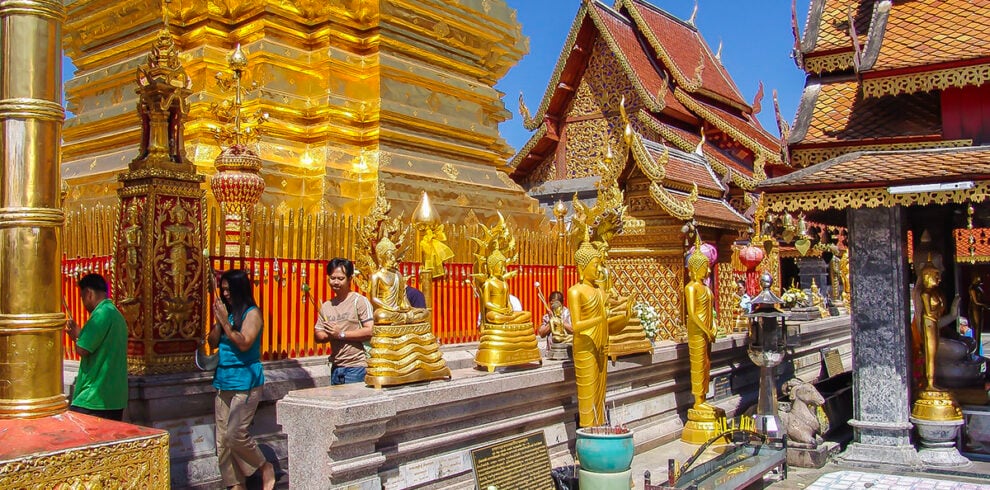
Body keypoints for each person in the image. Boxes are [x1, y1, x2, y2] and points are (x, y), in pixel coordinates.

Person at [207, 269, 276, 490]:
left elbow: (245, 342)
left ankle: (264, 466)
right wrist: (219, 322)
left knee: (235, 434)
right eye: (223, 289)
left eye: (229, 289)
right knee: (223, 442)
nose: (225, 294)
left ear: (239, 289)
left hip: (246, 380)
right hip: (224, 378)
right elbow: (213, 341)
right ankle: (235, 485)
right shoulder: (226, 313)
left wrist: (226, 325)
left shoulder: (252, 313)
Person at [64, 273, 128, 421]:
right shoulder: (115, 314)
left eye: (82, 297)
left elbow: (83, 349)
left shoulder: (100, 314)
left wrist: (75, 337)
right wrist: (80, 334)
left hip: (94, 397)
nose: (83, 303)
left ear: (88, 294)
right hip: (115, 397)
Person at [314, 258, 374, 385]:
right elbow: (318, 334)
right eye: (332, 278)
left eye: (340, 279)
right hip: (336, 367)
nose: (335, 282)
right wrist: (329, 334)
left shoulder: (360, 301)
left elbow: (370, 330)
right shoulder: (326, 306)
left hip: (358, 367)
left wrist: (341, 334)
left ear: (350, 279)